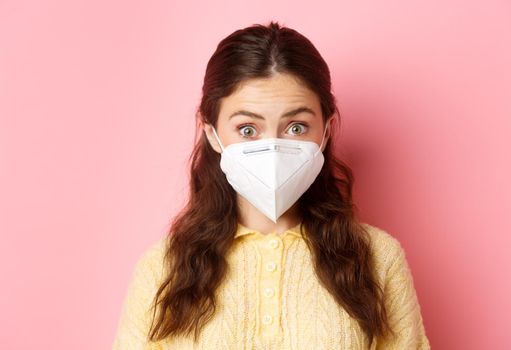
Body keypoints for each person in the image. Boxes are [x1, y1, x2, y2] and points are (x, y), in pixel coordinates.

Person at [112, 21, 431, 350]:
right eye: (248, 129)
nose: (273, 149)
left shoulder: (379, 259)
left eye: (296, 127)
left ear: (326, 130)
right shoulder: (162, 268)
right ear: (212, 134)